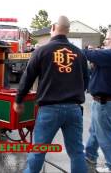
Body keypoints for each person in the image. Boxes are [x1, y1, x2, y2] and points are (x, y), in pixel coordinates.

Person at [13, 16, 88, 173]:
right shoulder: (79, 53)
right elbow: (85, 81)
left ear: (53, 27)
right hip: (74, 109)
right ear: (68, 30)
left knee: (39, 151)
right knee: (76, 152)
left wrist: (19, 100)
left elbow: (27, 78)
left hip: (49, 109)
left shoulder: (42, 51)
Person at [84, 29, 111, 173]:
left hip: (105, 102)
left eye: (107, 39)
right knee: (95, 131)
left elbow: (88, 54)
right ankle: (90, 156)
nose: (104, 41)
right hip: (107, 101)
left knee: (105, 136)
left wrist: (73, 48)